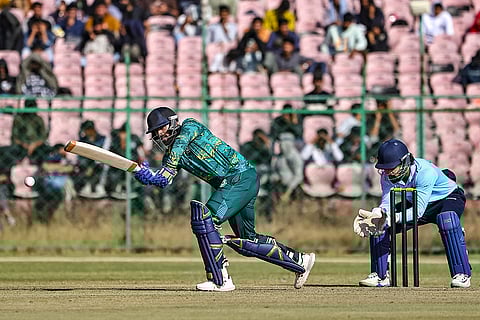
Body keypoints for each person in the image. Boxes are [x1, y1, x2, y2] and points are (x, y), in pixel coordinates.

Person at [133, 106, 315, 291]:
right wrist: (147, 176)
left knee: (205, 218)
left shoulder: (189, 126)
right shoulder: (172, 156)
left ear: (173, 122)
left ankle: (220, 279)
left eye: (162, 127)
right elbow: (164, 181)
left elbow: (178, 148)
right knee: (247, 241)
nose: (160, 134)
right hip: (238, 183)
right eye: (156, 132)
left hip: (239, 177)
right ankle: (300, 261)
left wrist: (162, 170)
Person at [353, 138, 472, 288]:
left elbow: (417, 212)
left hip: (447, 198)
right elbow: (387, 202)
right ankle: (380, 275)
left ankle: (461, 274)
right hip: (417, 200)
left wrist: (391, 218)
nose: (387, 172)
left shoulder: (425, 172)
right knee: (379, 224)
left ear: (405, 161)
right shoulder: (386, 175)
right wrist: (379, 214)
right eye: (385, 168)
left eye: (391, 167)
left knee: (446, 219)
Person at [77, 120, 110, 198]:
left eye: (87, 130)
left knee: (103, 165)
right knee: (82, 164)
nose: (85, 132)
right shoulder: (83, 140)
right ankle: (87, 185)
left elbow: (105, 153)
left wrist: (94, 164)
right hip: (87, 162)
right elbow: (80, 155)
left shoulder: (103, 139)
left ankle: (100, 186)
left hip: (100, 162)